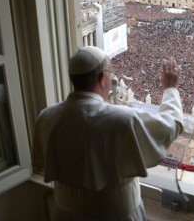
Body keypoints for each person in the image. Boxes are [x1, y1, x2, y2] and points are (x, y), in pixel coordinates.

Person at [32, 46, 184, 220]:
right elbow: (171, 125)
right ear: (102, 78)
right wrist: (170, 88)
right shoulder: (124, 120)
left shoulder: (46, 118)